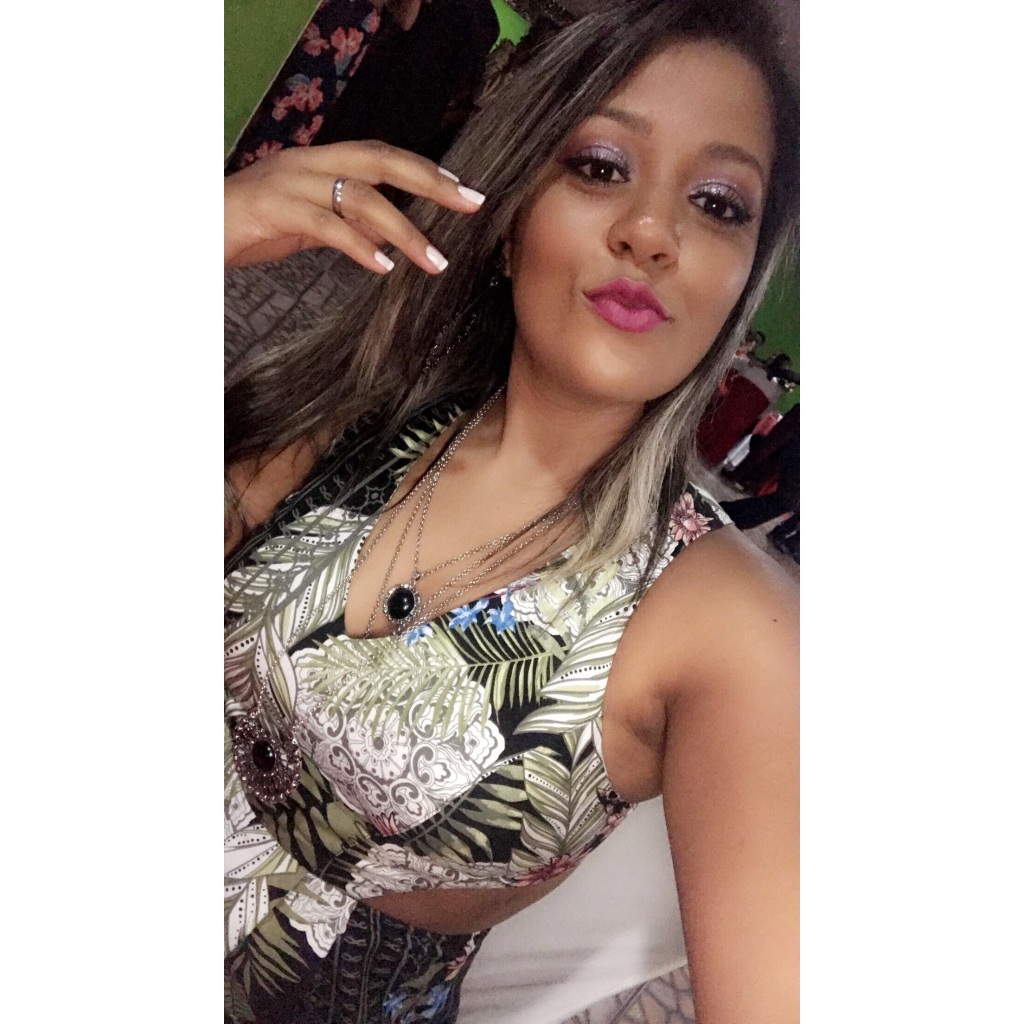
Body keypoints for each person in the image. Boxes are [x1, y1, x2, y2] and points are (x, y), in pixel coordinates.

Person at [223, 2, 799, 1022]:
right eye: (601, 167)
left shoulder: (723, 617)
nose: (651, 231)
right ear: (513, 211)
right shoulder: (359, 413)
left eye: (717, 203)